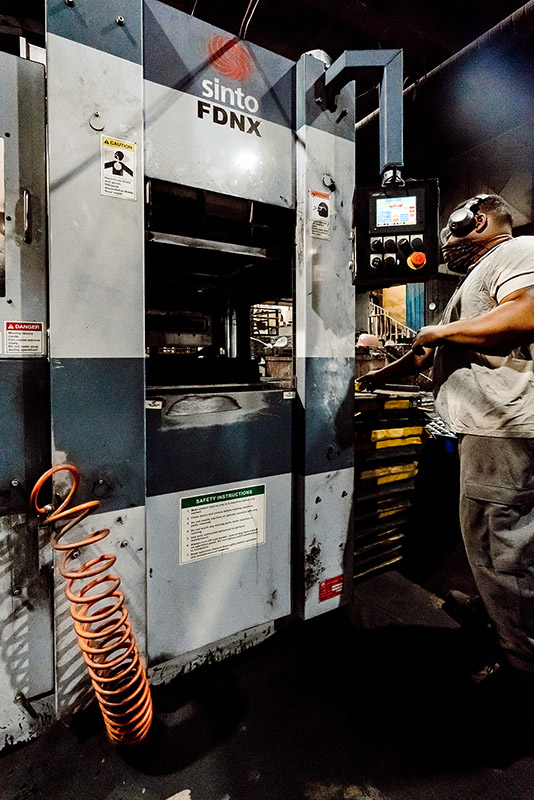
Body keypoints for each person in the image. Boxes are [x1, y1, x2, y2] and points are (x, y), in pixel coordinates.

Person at [358, 194, 534, 683]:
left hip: (504, 427)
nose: (446, 246)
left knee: (497, 540)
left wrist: (442, 330)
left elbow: (525, 314)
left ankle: (520, 663)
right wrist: (374, 378)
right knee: (504, 541)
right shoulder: (473, 280)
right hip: (486, 426)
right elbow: (424, 351)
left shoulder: (518, 253)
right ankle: (502, 613)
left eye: (450, 234)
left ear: (475, 220)